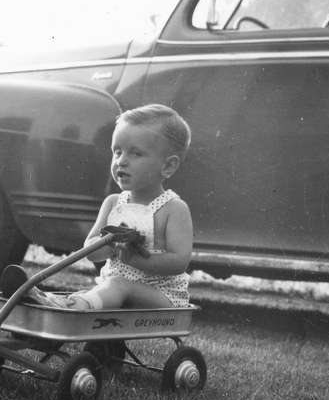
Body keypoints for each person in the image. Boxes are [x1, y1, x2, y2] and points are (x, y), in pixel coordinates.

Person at [11, 103, 194, 310]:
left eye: (136, 154)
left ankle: (70, 307)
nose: (121, 162)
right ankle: (49, 302)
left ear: (168, 166)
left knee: (116, 286)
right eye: (117, 152)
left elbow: (179, 262)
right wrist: (108, 244)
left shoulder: (173, 209)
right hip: (116, 288)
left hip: (162, 296)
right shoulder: (113, 203)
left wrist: (135, 259)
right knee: (100, 291)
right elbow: (91, 251)